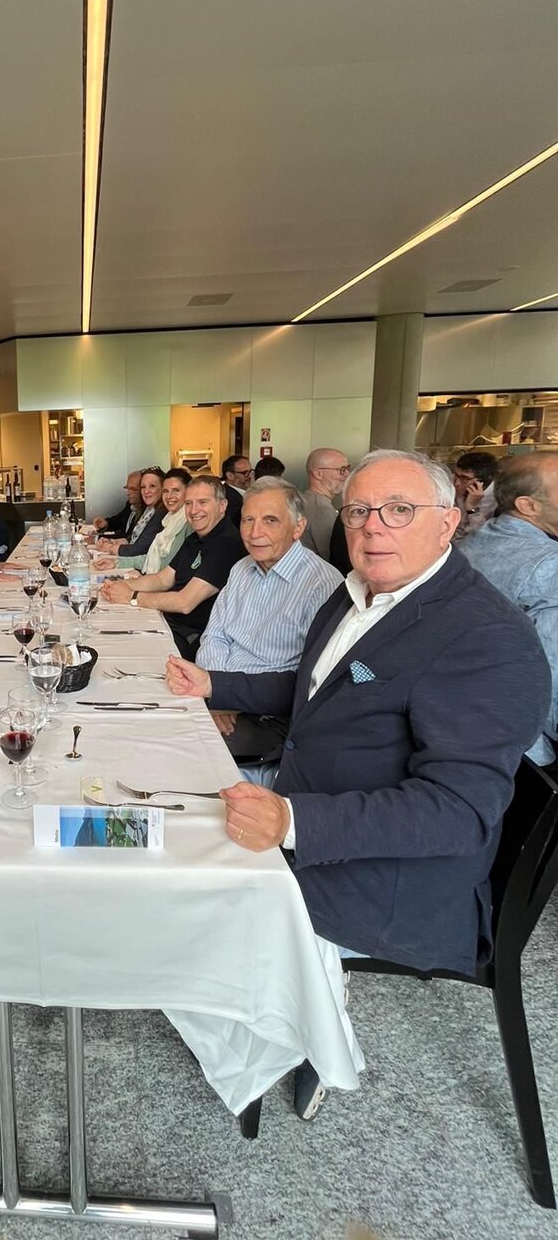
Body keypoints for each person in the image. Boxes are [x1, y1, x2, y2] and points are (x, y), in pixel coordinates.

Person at [166, 449, 549, 1122]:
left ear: (448, 522)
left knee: (187, 899)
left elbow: (457, 811)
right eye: (359, 511)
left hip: (387, 874)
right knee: (165, 819)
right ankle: (281, 1014)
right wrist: (214, 684)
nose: (373, 526)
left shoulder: (485, 638)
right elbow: (313, 689)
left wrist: (294, 823)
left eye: (399, 510)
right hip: (309, 800)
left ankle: (301, 1028)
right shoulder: (356, 595)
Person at [196, 478, 343, 759]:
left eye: (270, 520)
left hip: (269, 716)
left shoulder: (321, 584)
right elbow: (214, 636)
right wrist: (216, 693)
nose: (255, 533)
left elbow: (307, 679)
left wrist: (226, 693)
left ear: (298, 527)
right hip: (217, 693)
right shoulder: (241, 569)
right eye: (248, 520)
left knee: (181, 744)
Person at [461, 453, 558, 769]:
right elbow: (553, 676)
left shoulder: (474, 541)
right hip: (525, 745)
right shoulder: (549, 565)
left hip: (470, 720)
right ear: (528, 505)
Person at [101, 476, 245, 658]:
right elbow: (163, 579)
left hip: (192, 640)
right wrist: (120, 586)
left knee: (119, 650)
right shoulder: (195, 537)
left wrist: (132, 596)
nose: (194, 510)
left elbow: (185, 602)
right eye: (189, 503)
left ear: (222, 505)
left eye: (202, 502)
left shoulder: (226, 543)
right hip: (168, 622)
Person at [95, 468, 191, 576]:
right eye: (166, 491)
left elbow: (142, 549)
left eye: (176, 490)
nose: (169, 496)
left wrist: (112, 548)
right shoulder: (168, 519)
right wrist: (117, 562)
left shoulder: (185, 523)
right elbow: (152, 558)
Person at [95, 467, 165, 560]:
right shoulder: (148, 509)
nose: (146, 491)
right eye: (143, 487)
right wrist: (112, 542)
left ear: (163, 489)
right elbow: (132, 538)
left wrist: (111, 548)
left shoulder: (161, 513)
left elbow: (140, 548)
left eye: (152, 486)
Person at [298, 448, 350, 559]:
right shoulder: (322, 510)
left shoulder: (303, 500)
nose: (347, 474)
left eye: (347, 468)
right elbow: (335, 557)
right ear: (318, 474)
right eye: (342, 469)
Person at [452, 450, 498, 540]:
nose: (457, 483)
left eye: (465, 478)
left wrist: (472, 508)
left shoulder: (496, 497)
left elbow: (479, 535)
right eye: (456, 475)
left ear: (482, 481)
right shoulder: (452, 482)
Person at [92, 471, 142, 536]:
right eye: (127, 488)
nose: (128, 493)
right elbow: (119, 520)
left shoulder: (146, 514)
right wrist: (106, 523)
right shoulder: (130, 505)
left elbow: (129, 538)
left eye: (133, 489)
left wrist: (98, 538)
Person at [219, 455, 253, 527]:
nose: (250, 476)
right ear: (230, 475)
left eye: (250, 471)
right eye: (245, 473)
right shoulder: (231, 501)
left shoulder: (245, 495)